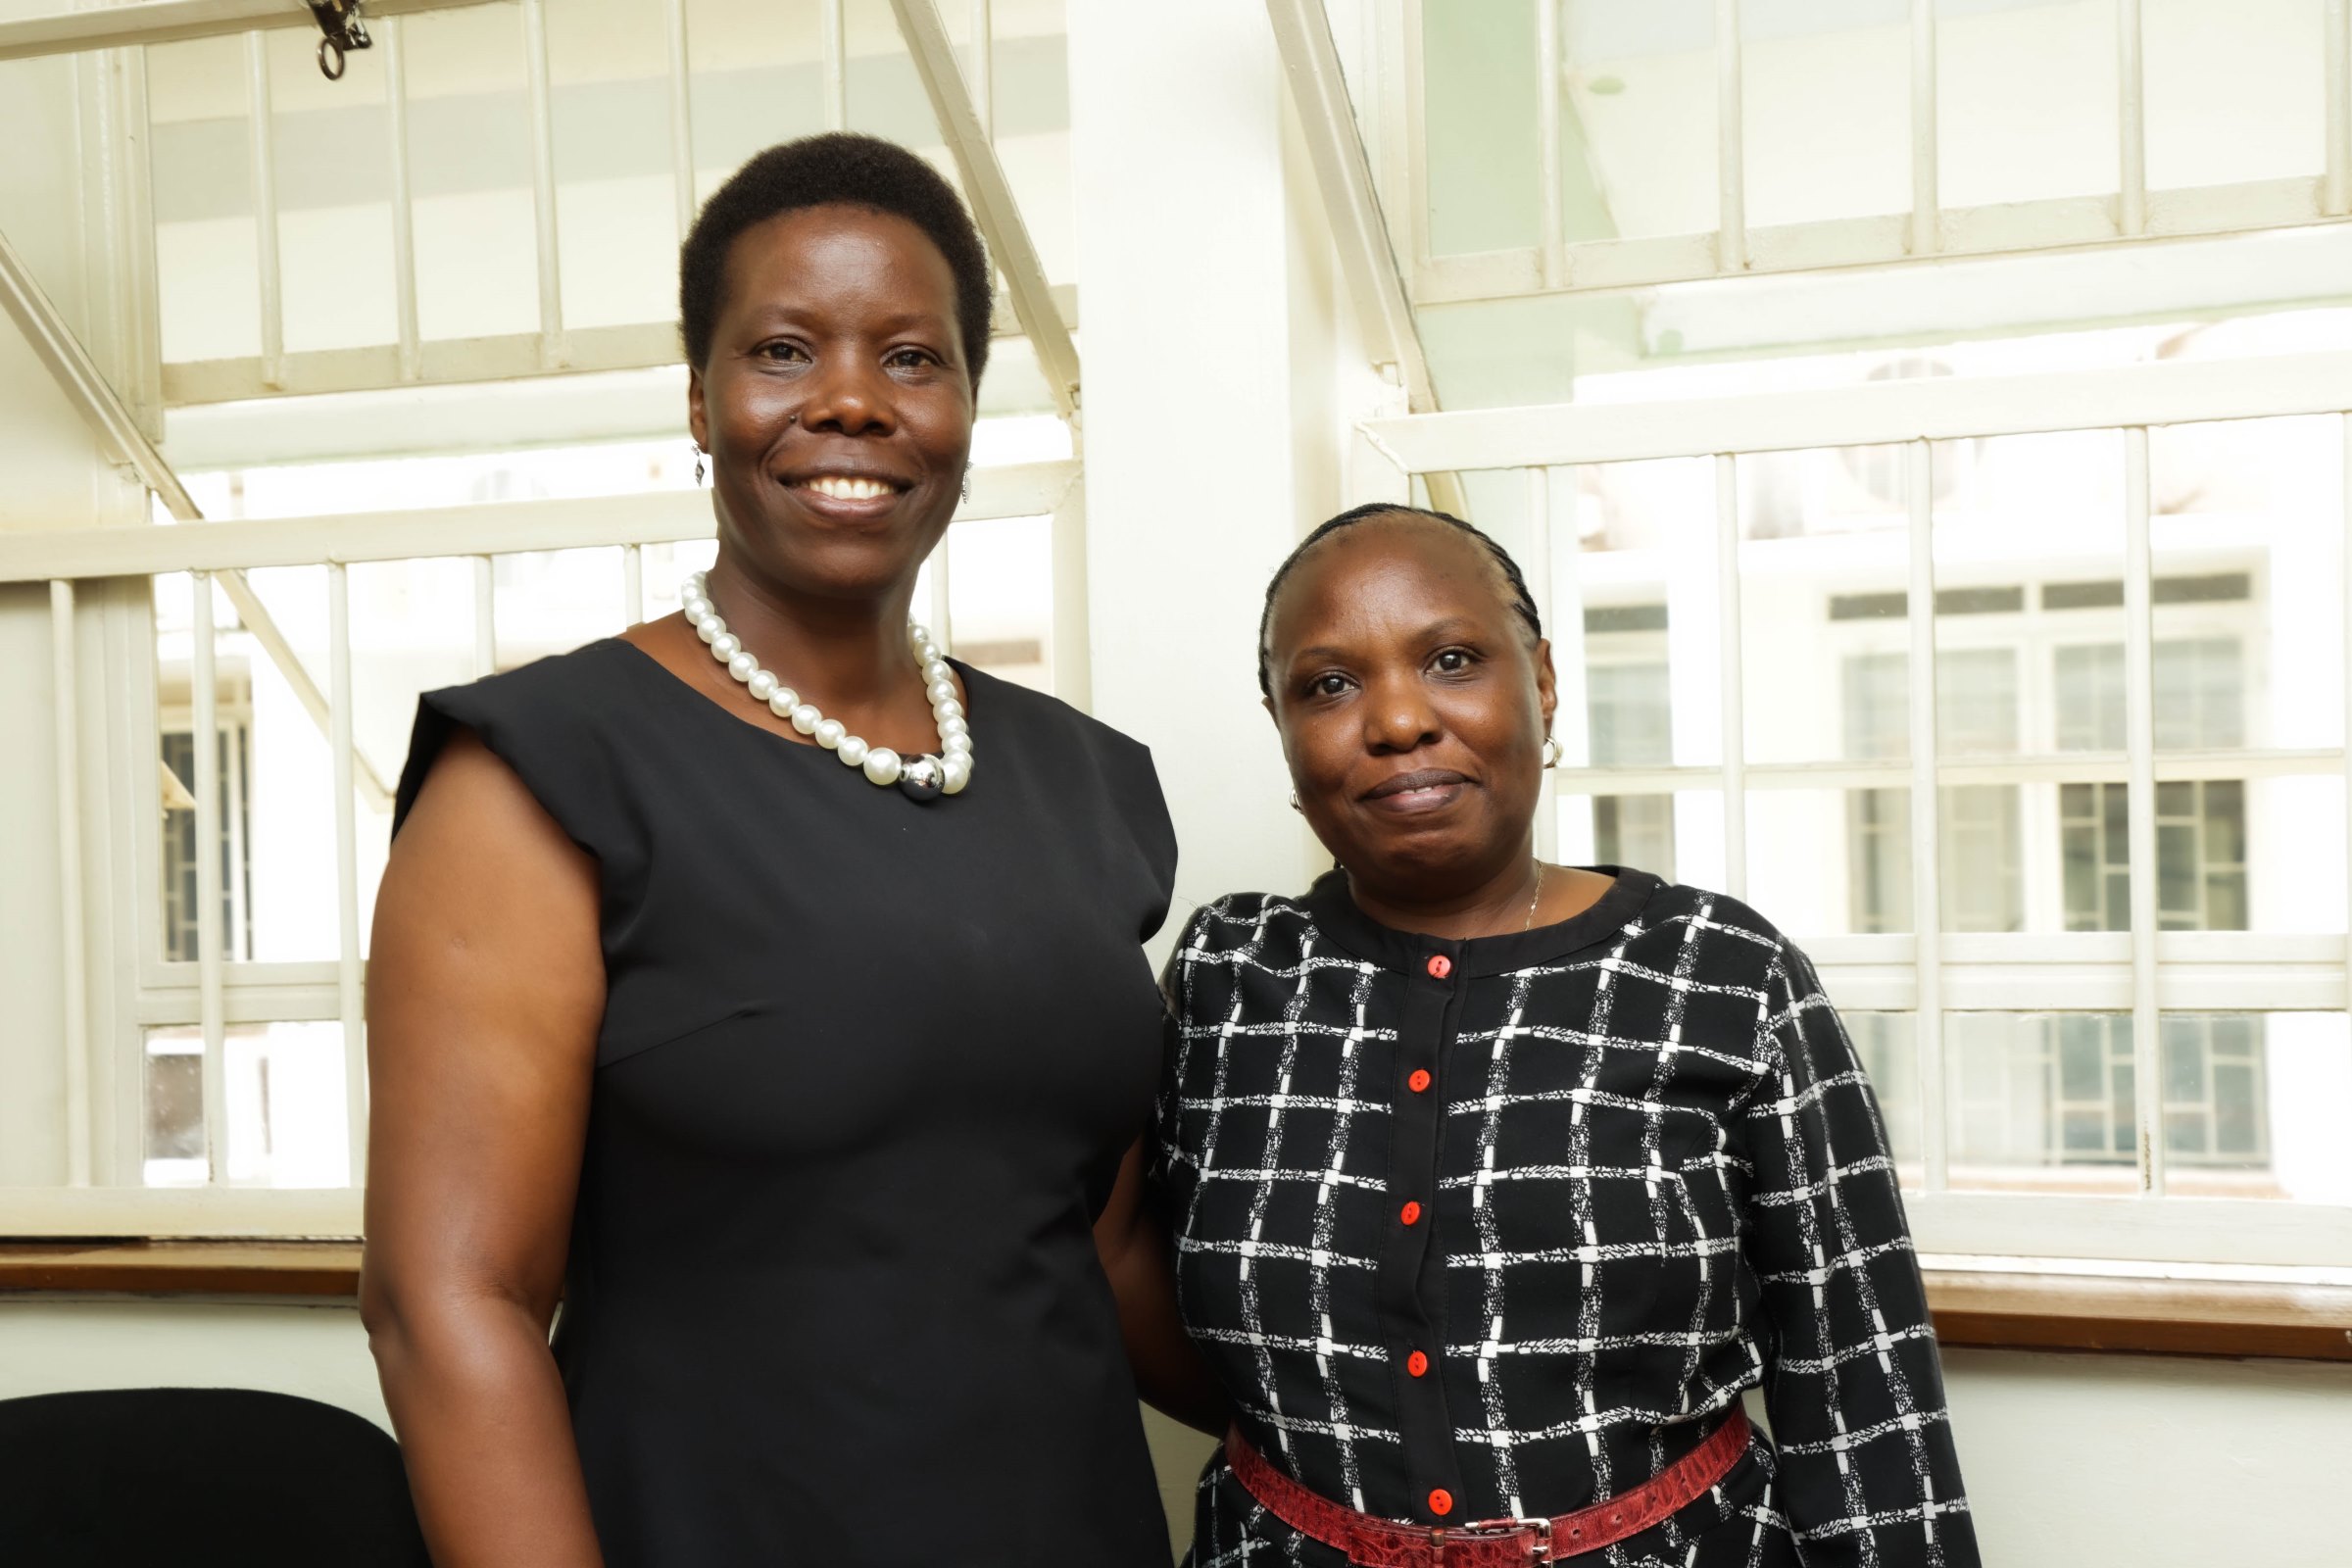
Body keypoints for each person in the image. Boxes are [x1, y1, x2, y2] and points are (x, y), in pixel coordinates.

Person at [360, 133, 1205, 1567]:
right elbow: (449, 1305)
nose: (852, 403)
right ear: (701, 400)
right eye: (783, 350)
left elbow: (1106, 1248)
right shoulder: (544, 774)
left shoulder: (1089, 785)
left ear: (967, 408)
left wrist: (1405, 1449)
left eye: (913, 358)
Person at [1152, 504, 1979, 1565]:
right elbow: (1119, 1263)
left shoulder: (1722, 972)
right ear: (1282, 726)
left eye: (1451, 659)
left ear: (1540, 682)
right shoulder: (1227, 976)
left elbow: (1865, 1384)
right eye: (1329, 684)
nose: (1399, 720)